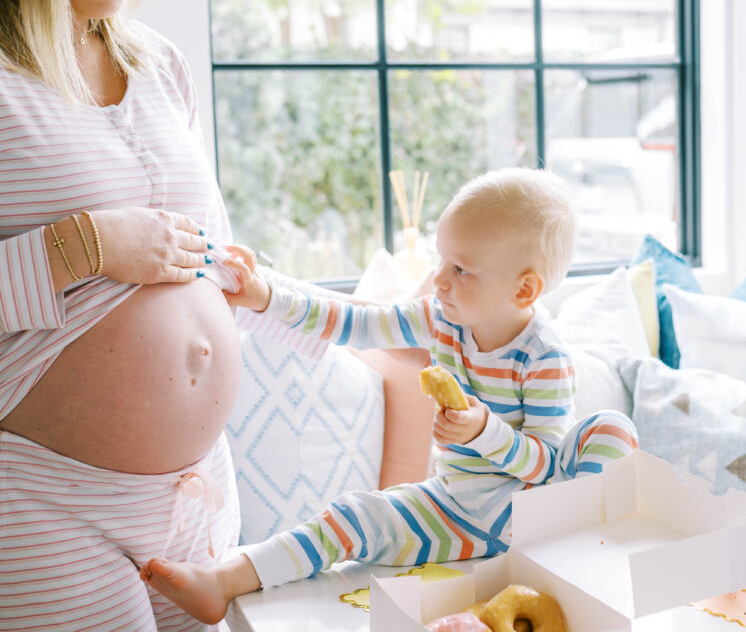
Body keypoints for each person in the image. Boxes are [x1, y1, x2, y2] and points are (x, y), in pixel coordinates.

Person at [138, 167, 640, 624]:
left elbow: (547, 464)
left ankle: (581, 563)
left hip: (533, 518)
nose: (439, 280)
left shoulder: (544, 357)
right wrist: (266, 296)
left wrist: (483, 430)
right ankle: (225, 581)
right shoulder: (443, 319)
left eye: (461, 270)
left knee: (612, 429)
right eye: (443, 261)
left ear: (525, 290)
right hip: (455, 510)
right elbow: (360, 321)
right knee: (355, 516)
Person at [0, 0, 310, 630]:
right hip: (46, 501)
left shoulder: (158, 64)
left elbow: (214, 261)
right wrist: (87, 245)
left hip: (197, 491)